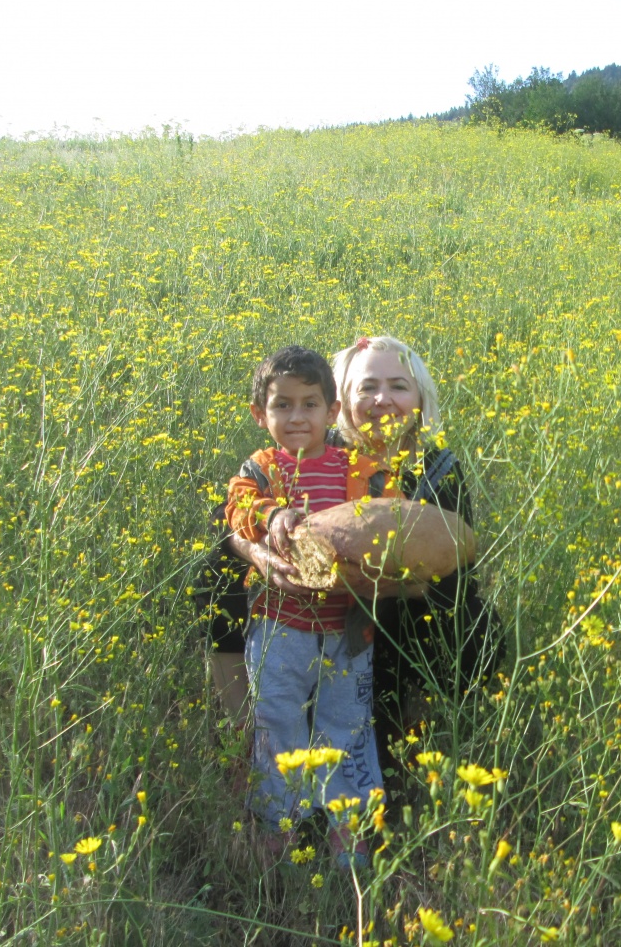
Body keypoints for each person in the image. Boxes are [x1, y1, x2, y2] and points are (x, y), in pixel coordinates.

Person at [193, 336, 502, 780]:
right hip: (294, 607)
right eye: (367, 387)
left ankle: (404, 727)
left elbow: (457, 569)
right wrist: (260, 555)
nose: (382, 400)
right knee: (216, 570)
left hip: (389, 613)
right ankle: (244, 731)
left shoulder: (438, 467)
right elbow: (228, 516)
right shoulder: (317, 439)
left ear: (419, 398)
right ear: (342, 401)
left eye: (398, 386)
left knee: (472, 624)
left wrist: (375, 585)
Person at [224, 344, 383, 869]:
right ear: (259, 414)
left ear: (332, 411)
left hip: (347, 630)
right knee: (277, 724)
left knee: (347, 725)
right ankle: (279, 823)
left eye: (310, 404)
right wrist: (271, 516)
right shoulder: (261, 469)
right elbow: (237, 507)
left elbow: (388, 516)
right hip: (279, 627)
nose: (297, 417)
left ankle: (347, 825)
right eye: (282, 405)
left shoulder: (357, 467)